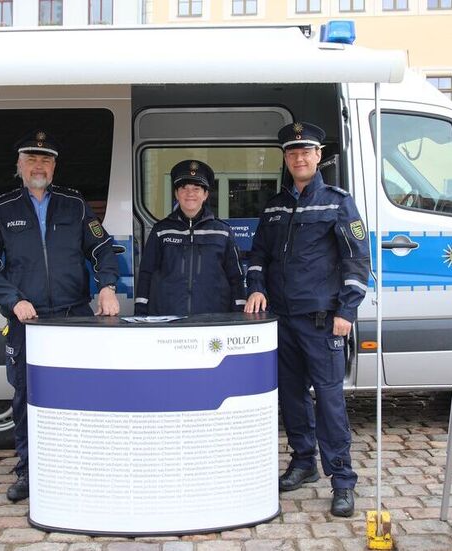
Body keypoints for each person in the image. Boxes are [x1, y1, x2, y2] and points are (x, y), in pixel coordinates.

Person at [0, 129, 120, 502]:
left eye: (47, 160)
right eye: (32, 159)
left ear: (54, 167)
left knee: (83, 392)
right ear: (19, 165)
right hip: (29, 321)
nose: (39, 166)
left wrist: (107, 286)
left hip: (74, 317)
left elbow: (103, 247)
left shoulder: (74, 204)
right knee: (27, 396)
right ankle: (29, 471)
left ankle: (85, 467)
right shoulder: (2, 208)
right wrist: (13, 299)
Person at [244, 122, 370, 518]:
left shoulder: (337, 201)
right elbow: (258, 255)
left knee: (330, 401)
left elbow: (357, 259)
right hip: (281, 319)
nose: (299, 158)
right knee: (292, 396)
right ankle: (303, 462)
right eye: (292, 152)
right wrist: (257, 286)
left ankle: (342, 480)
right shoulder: (275, 205)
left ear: (318, 156)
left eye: (306, 151)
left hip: (322, 321)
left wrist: (346, 311)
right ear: (286, 158)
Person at [134, 160, 246, 316]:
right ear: (176, 194)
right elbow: (146, 273)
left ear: (205, 194)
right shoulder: (161, 231)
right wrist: (141, 311)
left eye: (196, 188)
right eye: (184, 188)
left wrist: (240, 313)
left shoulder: (223, 232)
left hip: (214, 319)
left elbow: (236, 278)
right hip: (168, 318)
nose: (190, 193)